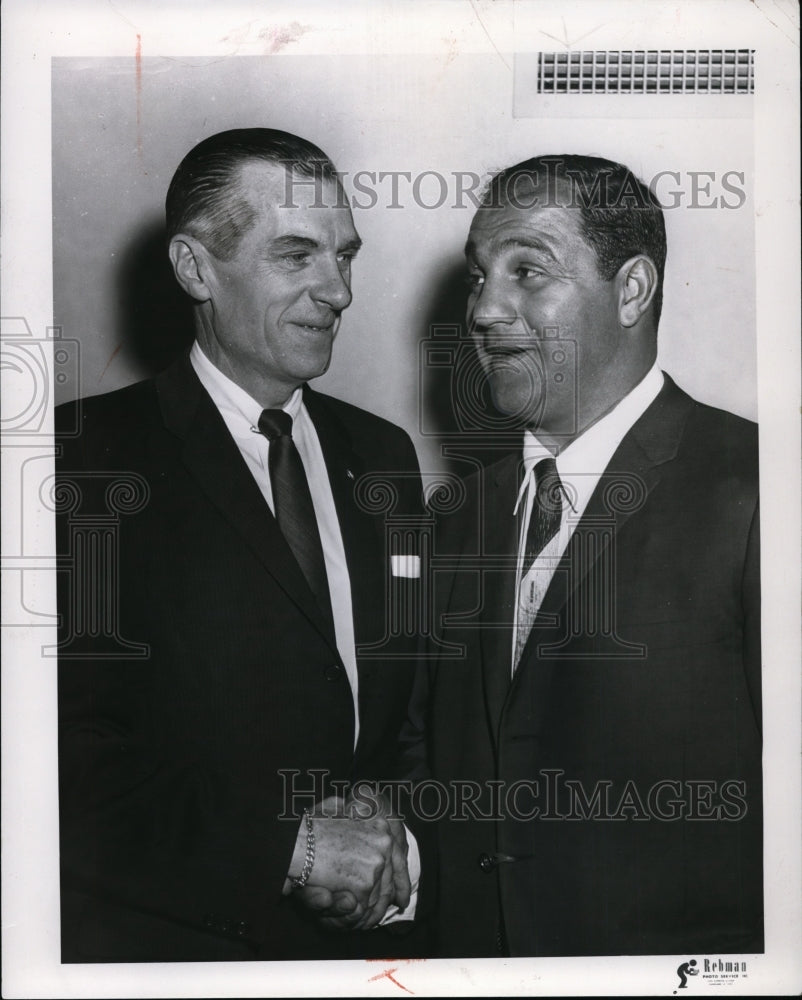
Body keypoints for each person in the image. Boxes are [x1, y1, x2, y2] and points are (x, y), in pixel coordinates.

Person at [55, 128, 429, 962]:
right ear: (194, 269)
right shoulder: (78, 460)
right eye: (296, 255)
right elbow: (53, 762)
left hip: (370, 951)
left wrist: (391, 840)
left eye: (345, 255)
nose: (338, 290)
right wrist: (287, 851)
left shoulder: (385, 457)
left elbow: (410, 707)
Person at [423, 154, 762, 956]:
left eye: (527, 271)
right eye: (478, 277)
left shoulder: (758, 491)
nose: (483, 309)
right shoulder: (455, 517)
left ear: (633, 290)